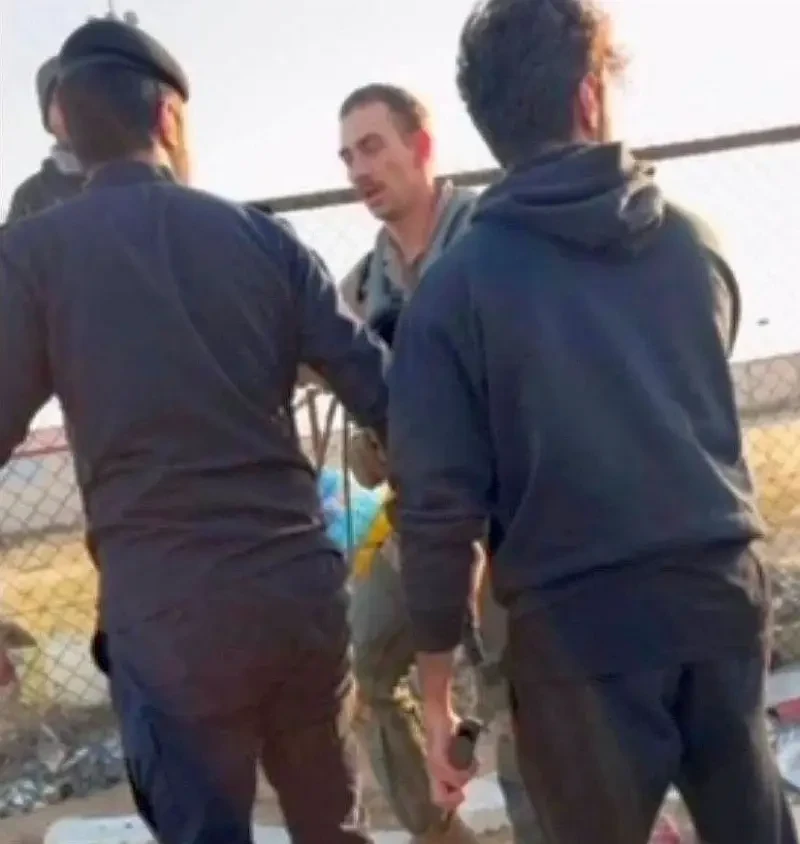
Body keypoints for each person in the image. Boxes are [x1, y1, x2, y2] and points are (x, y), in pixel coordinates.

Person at [388, 1, 797, 843]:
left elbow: (438, 514)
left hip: (577, 634)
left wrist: (435, 694)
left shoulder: (453, 294)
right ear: (587, 96)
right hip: (718, 593)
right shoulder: (693, 246)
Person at [0, 18, 389, 844]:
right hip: (296, 595)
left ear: (66, 126)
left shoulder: (32, 257)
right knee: (334, 826)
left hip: (168, 618)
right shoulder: (262, 238)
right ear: (169, 117)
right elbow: (385, 393)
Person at [336, 83, 540, 843]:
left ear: (421, 147)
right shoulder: (364, 286)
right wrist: (375, 440)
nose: (359, 169)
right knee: (362, 673)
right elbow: (367, 444)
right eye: (348, 156)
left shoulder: (495, 238)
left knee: (519, 700)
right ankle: (443, 832)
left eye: (373, 146)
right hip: (421, 520)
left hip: (510, 515)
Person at [5, 57, 84, 224]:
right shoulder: (31, 196)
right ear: (47, 119)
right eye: (58, 100)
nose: (70, 108)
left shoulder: (131, 177)